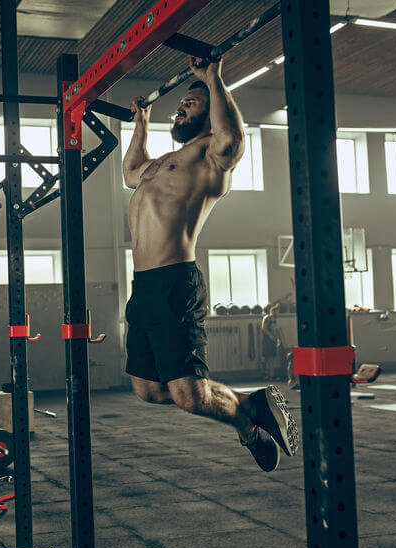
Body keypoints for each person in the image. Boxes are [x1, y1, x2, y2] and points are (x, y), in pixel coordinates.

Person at [122, 56, 299, 472]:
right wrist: (142, 123)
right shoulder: (164, 162)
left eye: (192, 102)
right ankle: (250, 409)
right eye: (182, 101)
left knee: (190, 396)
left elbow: (233, 139)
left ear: (211, 112)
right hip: (143, 288)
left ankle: (250, 423)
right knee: (149, 389)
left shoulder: (209, 159)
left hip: (173, 283)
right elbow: (130, 171)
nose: (182, 106)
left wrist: (212, 78)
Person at [260, 303, 298, 389]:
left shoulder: (274, 320)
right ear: (272, 311)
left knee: (272, 357)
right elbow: (264, 328)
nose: (277, 313)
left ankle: (270, 375)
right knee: (268, 357)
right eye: (276, 311)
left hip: (273, 340)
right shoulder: (267, 318)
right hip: (268, 340)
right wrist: (271, 337)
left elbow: (276, 330)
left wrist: (278, 339)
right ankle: (267, 375)